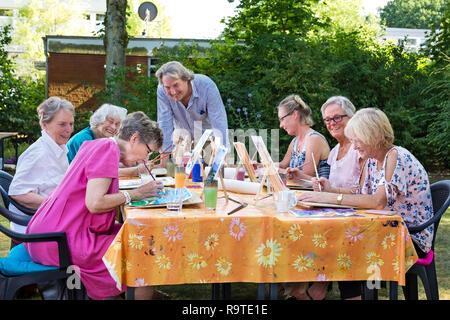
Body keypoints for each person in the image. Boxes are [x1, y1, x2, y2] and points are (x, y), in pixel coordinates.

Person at [24, 111, 165, 300]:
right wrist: (136, 194)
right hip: (60, 240)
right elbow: (95, 203)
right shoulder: (108, 149)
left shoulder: (98, 144)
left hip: (48, 232)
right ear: (134, 138)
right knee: (145, 249)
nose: (146, 159)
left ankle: (137, 291)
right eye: (148, 151)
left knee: (139, 235)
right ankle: (139, 290)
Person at [299, 107, 434, 259]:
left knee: (345, 241)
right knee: (334, 237)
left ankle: (325, 282)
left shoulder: (396, 157)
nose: (354, 147)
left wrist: (328, 199)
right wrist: (331, 189)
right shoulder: (372, 159)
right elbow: (359, 192)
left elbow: (377, 202)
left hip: (410, 237)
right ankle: (320, 282)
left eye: (358, 141)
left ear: (375, 136)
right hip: (386, 229)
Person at [287, 96, 364, 300]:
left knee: (334, 234)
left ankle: (314, 289)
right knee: (299, 225)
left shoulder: (361, 149)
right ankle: (301, 285)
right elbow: (329, 188)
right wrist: (304, 179)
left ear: (352, 117)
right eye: (328, 120)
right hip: (338, 212)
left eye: (337, 118)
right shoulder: (336, 151)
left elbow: (364, 191)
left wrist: (330, 193)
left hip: (358, 216)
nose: (332, 124)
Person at [8, 96, 75, 234]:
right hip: (36, 225)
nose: (69, 130)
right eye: (62, 124)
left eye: (71, 124)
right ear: (44, 125)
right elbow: (18, 193)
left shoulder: (57, 148)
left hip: (50, 218)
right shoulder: (39, 153)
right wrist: (58, 204)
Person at [155, 61, 229, 164]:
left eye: (176, 85)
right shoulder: (162, 90)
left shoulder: (206, 86)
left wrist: (222, 155)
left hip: (208, 141)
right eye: (168, 87)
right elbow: (164, 122)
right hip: (183, 142)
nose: (172, 91)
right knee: (179, 175)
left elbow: (219, 121)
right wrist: (163, 161)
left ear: (186, 79)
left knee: (212, 175)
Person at [277, 94, 330, 180]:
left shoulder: (314, 139)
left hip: (318, 193)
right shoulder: (295, 142)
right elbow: (282, 165)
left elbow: (304, 176)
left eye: (282, 119)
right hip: (301, 192)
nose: (281, 125)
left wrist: (271, 171)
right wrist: (260, 166)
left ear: (295, 114)